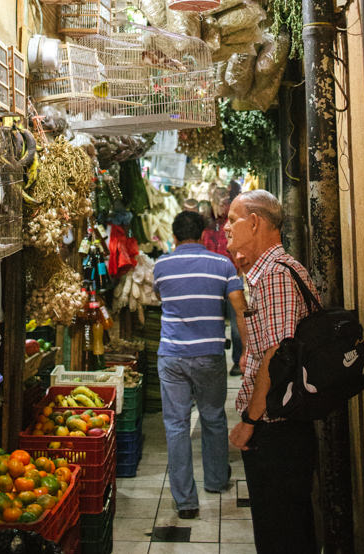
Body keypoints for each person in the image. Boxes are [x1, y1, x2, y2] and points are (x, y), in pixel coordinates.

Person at [225, 190, 319, 554]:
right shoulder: (266, 273)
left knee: (282, 532)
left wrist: (251, 419)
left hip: (278, 428)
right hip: (278, 425)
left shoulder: (276, 276)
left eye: (232, 220)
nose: (227, 230)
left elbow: (276, 355)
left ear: (255, 222)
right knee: (281, 527)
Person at [153, 210, 246, 519]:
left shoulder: (161, 266)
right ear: (205, 234)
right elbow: (239, 308)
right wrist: (247, 350)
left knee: (176, 425)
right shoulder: (223, 265)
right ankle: (217, 481)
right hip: (210, 355)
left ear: (175, 236)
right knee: (213, 417)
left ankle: (185, 501)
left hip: (173, 355)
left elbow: (160, 298)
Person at [201, 192, 243, 375]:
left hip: (232, 276)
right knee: (212, 322)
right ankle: (211, 362)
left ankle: (237, 361)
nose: (220, 206)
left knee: (236, 325)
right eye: (217, 202)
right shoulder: (206, 228)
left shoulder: (232, 224)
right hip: (211, 280)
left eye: (224, 203)